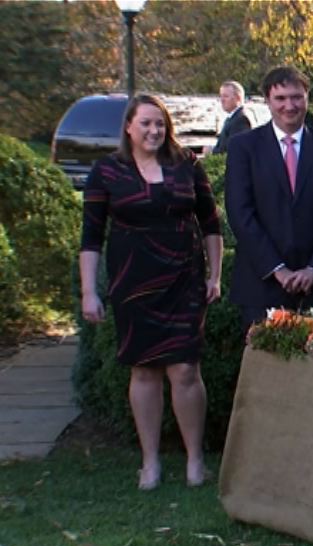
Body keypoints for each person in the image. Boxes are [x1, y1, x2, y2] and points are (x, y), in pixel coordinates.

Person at [79, 93, 224, 490]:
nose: (154, 130)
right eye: (145, 123)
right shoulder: (107, 172)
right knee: (144, 370)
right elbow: (90, 238)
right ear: (128, 127)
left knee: (185, 369)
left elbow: (211, 225)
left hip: (184, 279)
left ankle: (195, 461)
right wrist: (88, 291)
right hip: (133, 281)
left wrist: (215, 276)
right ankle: (150, 462)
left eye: (159, 123)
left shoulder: (188, 167)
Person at [225, 66, 313, 329]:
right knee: (264, 370)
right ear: (268, 102)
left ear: (307, 98)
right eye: (280, 99)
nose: (289, 106)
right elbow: (240, 213)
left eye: (296, 97)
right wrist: (277, 269)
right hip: (262, 285)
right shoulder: (243, 148)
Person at [207, 80, 252, 156]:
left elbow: (234, 151)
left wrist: (211, 151)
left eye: (225, 96)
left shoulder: (241, 120)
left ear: (238, 98)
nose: (222, 100)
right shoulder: (234, 117)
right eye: (220, 96)